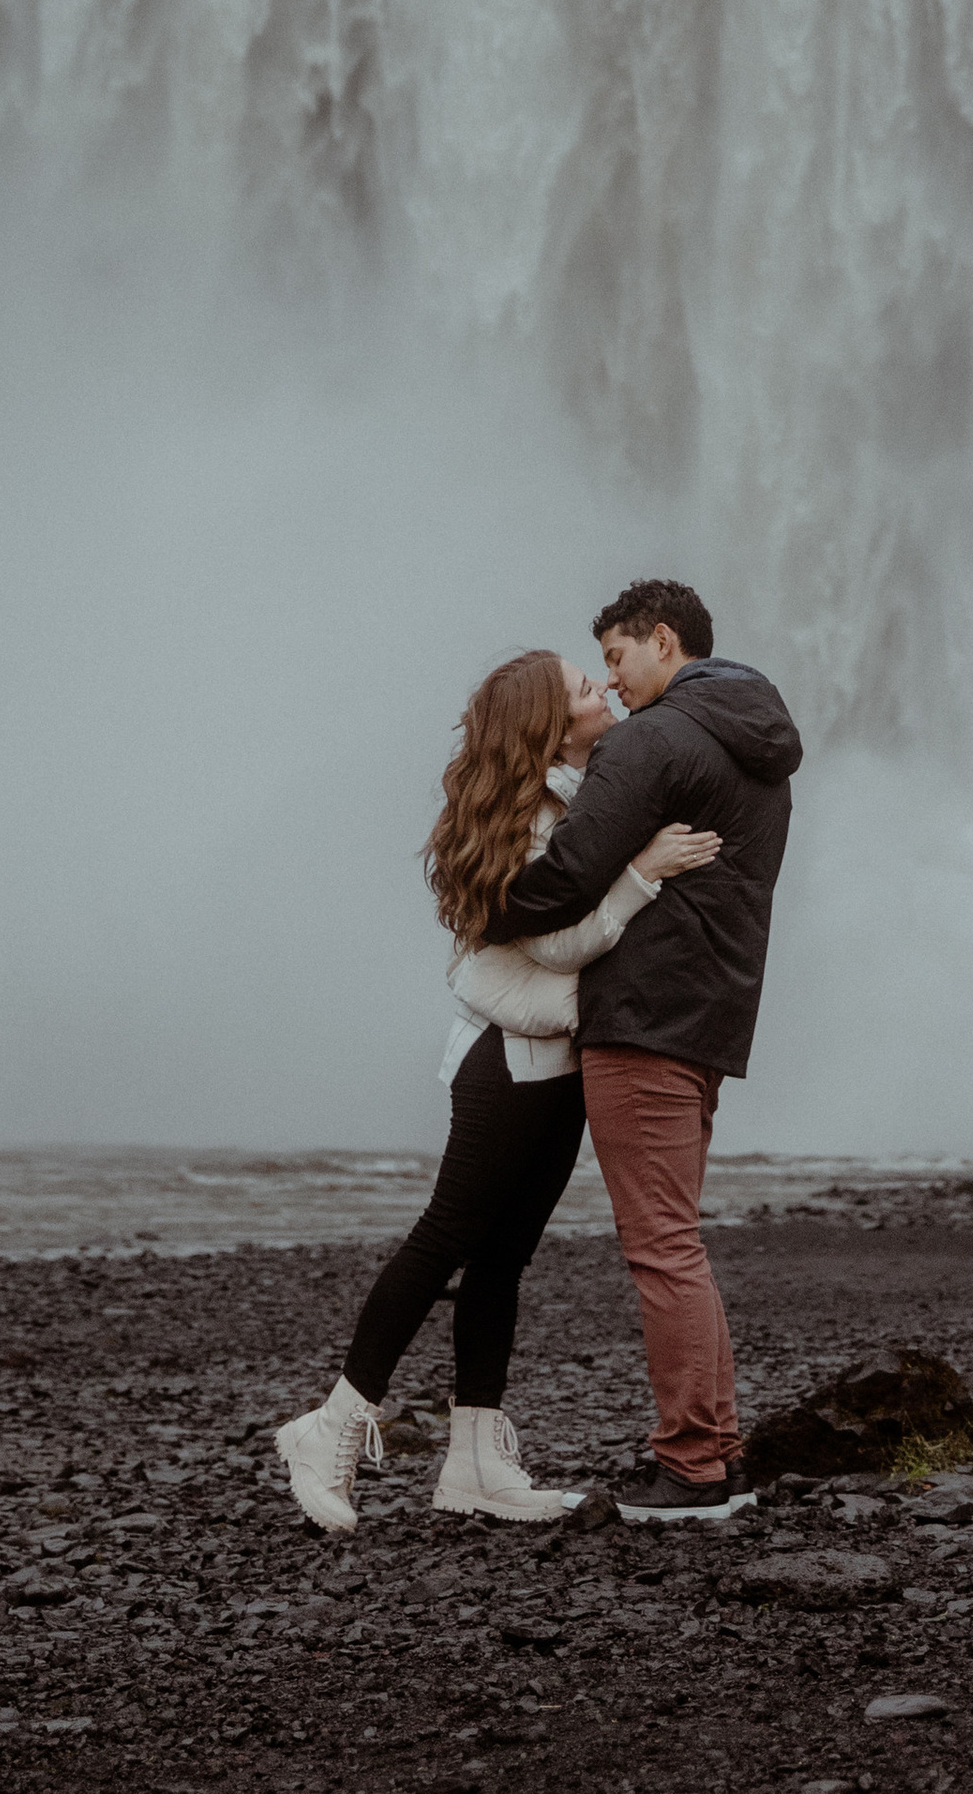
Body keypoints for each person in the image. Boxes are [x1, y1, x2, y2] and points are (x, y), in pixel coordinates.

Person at [271, 648, 719, 1534]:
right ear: (548, 725)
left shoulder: (580, 792)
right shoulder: (536, 811)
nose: (601, 690)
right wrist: (644, 874)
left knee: (504, 1258)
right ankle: (328, 1427)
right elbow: (553, 943)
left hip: (555, 1059)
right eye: (585, 689)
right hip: (505, 1061)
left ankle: (474, 1462)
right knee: (445, 1236)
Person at [490, 576, 801, 1521]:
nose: (612, 685)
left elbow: (571, 871)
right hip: (709, 1019)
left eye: (616, 659)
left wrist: (487, 908)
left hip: (645, 1020)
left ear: (663, 640)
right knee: (679, 1242)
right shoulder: (759, 743)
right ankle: (717, 1449)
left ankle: (693, 1469)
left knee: (662, 1248)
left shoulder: (652, 738)